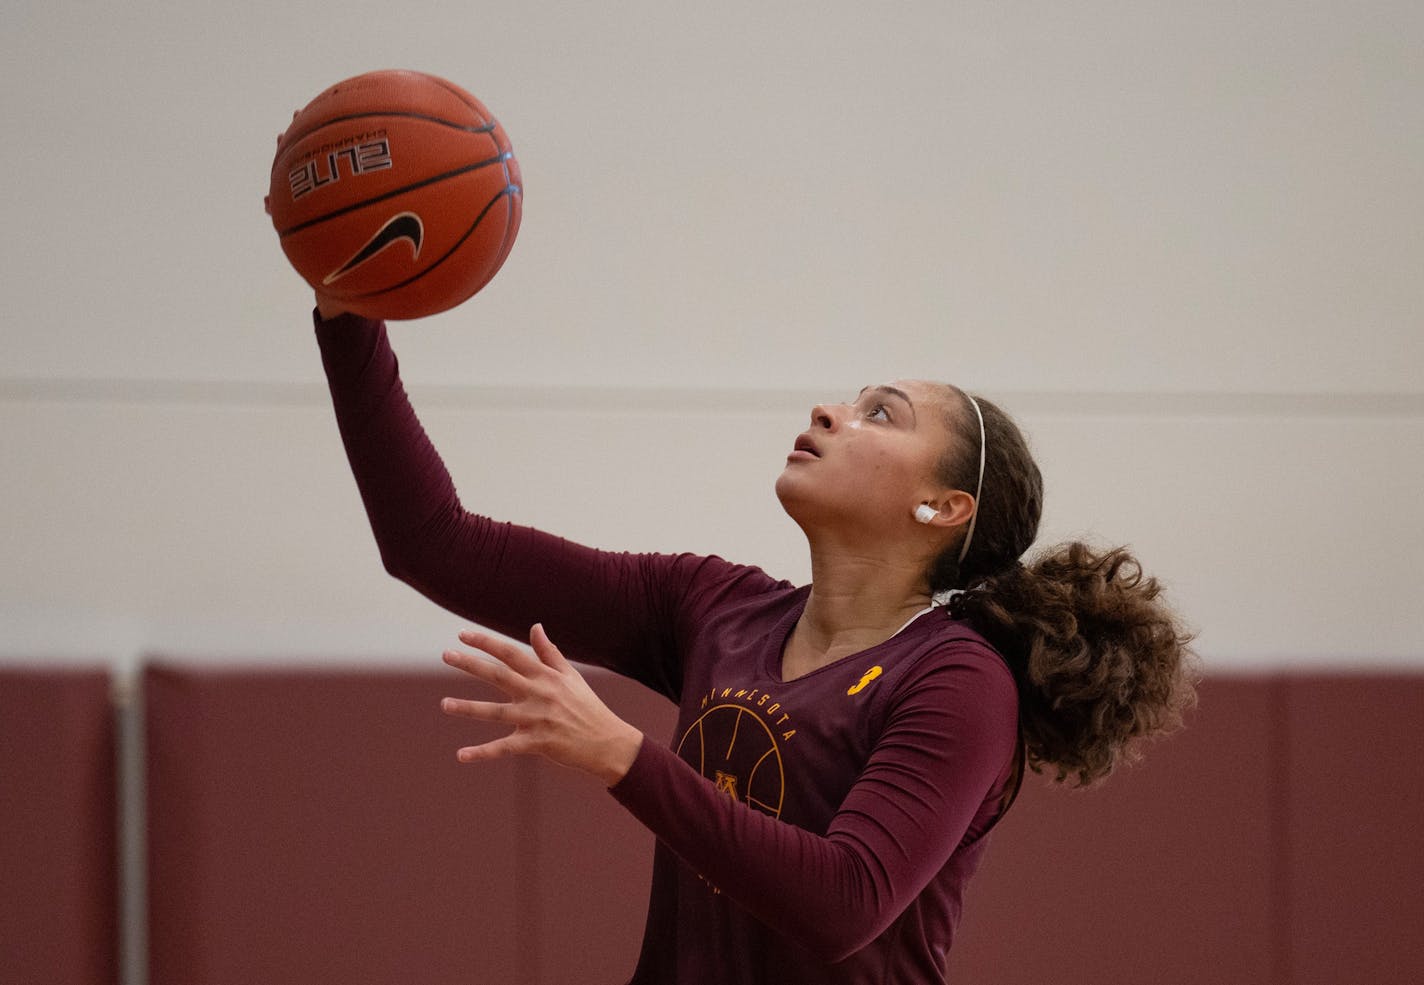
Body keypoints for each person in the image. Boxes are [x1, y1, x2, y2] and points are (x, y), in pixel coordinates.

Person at [311, 296, 1197, 984]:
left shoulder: (960, 681)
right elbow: (435, 542)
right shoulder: (713, 606)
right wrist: (349, 317)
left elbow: (842, 900)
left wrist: (623, 754)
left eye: (880, 414)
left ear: (943, 507)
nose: (831, 410)